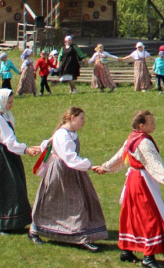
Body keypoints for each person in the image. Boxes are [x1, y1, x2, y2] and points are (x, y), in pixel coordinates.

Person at [99, 110, 164, 268]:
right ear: (141, 125)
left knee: (132, 215)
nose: (154, 124)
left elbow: (120, 155)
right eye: (151, 122)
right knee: (151, 215)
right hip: (142, 182)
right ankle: (148, 256)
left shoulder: (132, 137)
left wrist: (106, 167)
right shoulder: (144, 142)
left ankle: (126, 249)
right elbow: (154, 163)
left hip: (133, 180)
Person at [30, 106, 109, 250]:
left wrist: (42, 146)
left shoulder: (70, 133)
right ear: (72, 118)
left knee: (78, 201)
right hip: (61, 171)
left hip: (72, 171)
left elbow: (50, 143)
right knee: (62, 201)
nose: (83, 122)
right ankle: (37, 230)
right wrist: (89, 165)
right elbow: (69, 157)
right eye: (81, 119)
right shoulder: (63, 134)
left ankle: (80, 234)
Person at [0, 88, 41, 234]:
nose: (10, 105)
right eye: (8, 102)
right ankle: (2, 223)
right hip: (1, 156)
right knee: (3, 188)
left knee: (14, 186)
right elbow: (10, 142)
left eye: (12, 102)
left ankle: (15, 220)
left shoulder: (4, 115)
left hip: (7, 154)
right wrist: (26, 150)